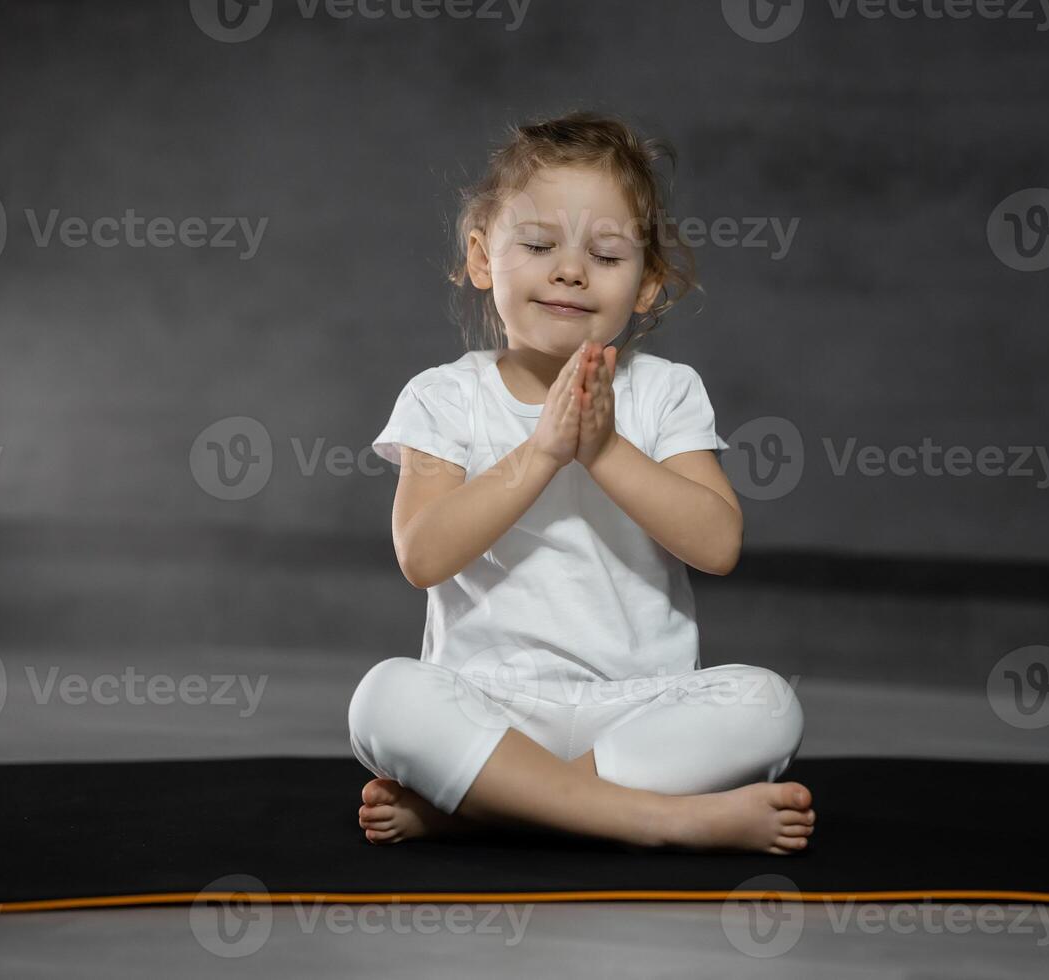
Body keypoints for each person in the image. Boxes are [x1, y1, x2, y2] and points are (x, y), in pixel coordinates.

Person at [348, 110, 814, 854]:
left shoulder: (665, 391)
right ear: (481, 258)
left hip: (636, 707)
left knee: (766, 703)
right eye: (537, 245)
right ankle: (661, 820)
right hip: (490, 705)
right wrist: (542, 452)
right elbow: (423, 556)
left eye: (605, 254)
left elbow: (718, 544)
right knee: (384, 700)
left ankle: (490, 806)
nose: (569, 270)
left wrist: (601, 449)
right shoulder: (443, 396)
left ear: (648, 285)